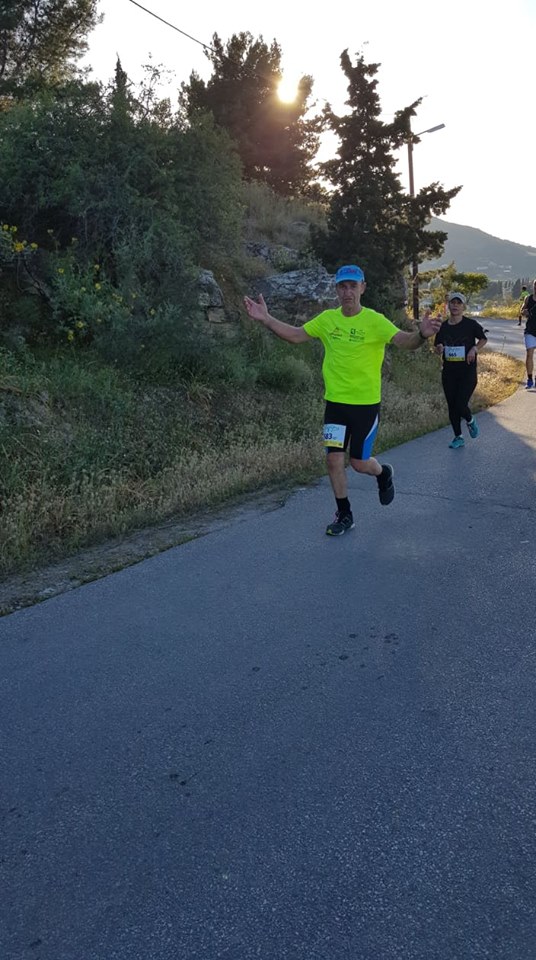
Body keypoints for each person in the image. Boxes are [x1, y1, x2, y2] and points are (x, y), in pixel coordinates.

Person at [243, 264, 441, 536]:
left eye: (353, 286)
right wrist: (266, 319)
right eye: (342, 286)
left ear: (363, 288)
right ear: (336, 290)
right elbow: (296, 335)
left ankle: (382, 473)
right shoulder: (327, 320)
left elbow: (405, 341)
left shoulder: (374, 320)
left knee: (358, 463)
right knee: (333, 461)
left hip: (365, 406)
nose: (348, 292)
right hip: (335, 405)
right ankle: (344, 513)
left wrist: (421, 335)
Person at [434, 292, 488, 449]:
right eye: (453, 302)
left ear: (463, 306)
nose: (455, 306)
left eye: (459, 303)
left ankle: (470, 420)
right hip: (449, 372)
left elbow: (483, 339)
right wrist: (439, 349)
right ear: (448, 305)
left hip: (467, 372)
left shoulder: (470, 324)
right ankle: (458, 437)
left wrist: (474, 349)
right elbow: (437, 346)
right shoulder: (443, 327)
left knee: (460, 404)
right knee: (452, 405)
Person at [520, 280, 536, 388]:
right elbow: (522, 310)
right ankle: (529, 379)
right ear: (533, 286)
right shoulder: (528, 298)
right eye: (535, 285)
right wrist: (524, 312)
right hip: (530, 330)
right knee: (529, 354)